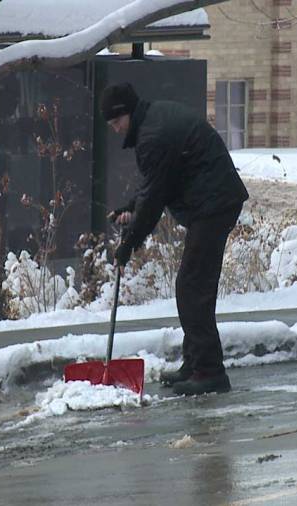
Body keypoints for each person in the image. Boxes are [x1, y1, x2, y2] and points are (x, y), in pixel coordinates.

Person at [101, 82, 249, 396]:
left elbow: (154, 199)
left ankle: (209, 371)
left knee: (192, 286)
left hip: (214, 205)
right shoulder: (152, 121)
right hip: (211, 202)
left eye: (116, 122)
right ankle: (195, 363)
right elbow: (157, 184)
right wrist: (130, 208)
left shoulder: (153, 135)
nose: (115, 130)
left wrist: (127, 246)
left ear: (127, 113)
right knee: (192, 286)